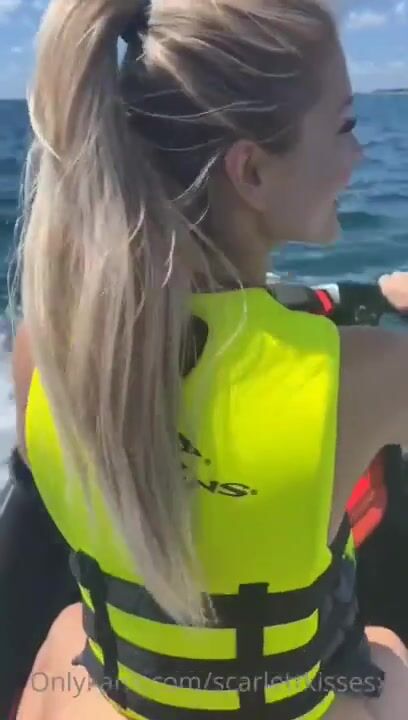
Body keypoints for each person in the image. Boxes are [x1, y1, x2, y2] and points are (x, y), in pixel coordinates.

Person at [8, 0, 408, 719]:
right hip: (287, 705)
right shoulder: (370, 375)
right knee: (385, 650)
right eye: (345, 126)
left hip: (124, 701)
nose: (359, 156)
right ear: (250, 170)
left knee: (69, 626)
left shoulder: (45, 349)